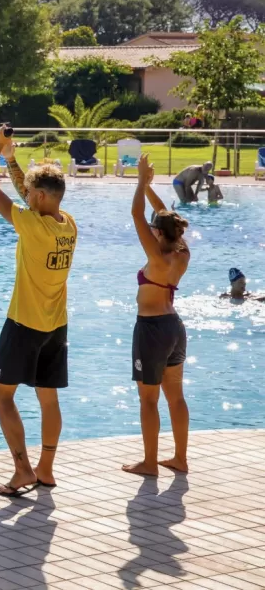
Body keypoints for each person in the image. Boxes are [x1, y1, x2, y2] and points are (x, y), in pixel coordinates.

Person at [0, 124, 76, 498]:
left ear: (39, 197)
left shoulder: (32, 226)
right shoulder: (67, 224)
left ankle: (22, 469)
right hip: (56, 326)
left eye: (31, 195)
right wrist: (12, 159)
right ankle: (45, 469)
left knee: (1, 395)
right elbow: (29, 193)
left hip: (25, 324)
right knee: (48, 398)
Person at [123, 154, 191, 477]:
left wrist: (139, 183)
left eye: (153, 229)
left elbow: (136, 214)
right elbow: (164, 215)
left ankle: (150, 463)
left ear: (159, 235)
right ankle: (180, 458)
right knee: (175, 397)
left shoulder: (157, 257)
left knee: (148, 399)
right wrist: (150, 186)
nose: (149, 230)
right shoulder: (181, 252)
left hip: (151, 330)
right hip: (174, 327)